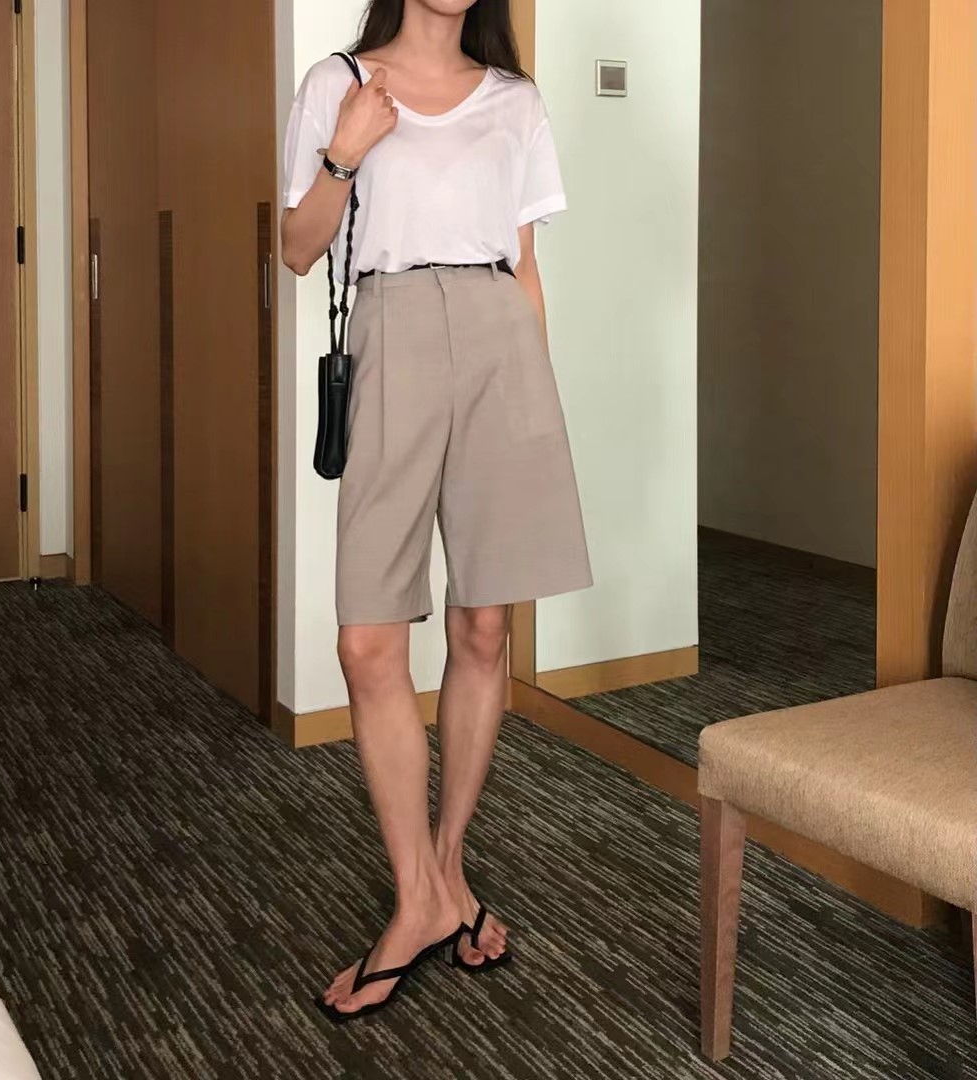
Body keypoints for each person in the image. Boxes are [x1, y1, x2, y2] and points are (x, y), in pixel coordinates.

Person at [281, 0, 592, 1022]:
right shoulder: (339, 83)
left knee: (484, 625)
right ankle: (419, 893)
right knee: (369, 640)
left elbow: (525, 265)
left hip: (502, 342)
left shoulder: (515, 100)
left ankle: (443, 875)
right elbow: (296, 249)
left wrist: (540, 403)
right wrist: (345, 154)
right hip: (393, 329)